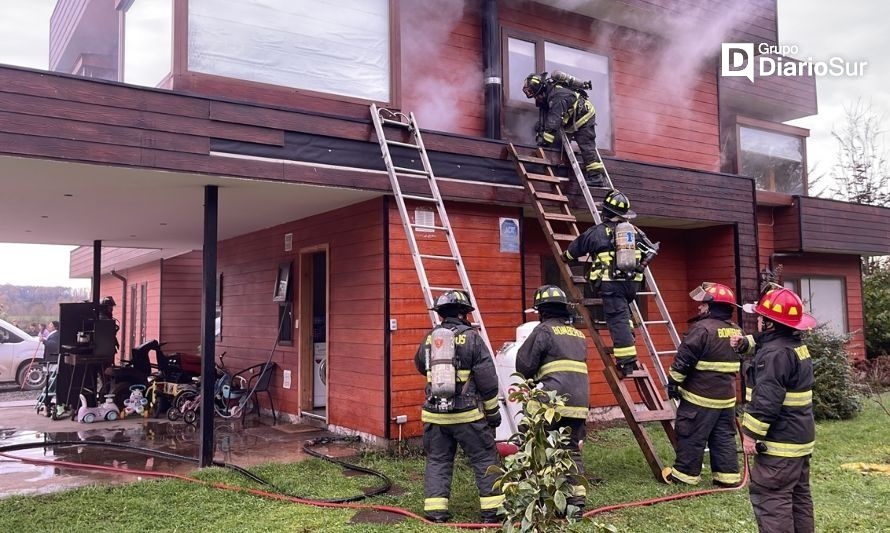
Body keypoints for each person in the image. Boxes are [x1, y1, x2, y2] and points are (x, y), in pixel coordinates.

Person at [730, 287, 816, 533]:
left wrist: (750, 434)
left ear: (769, 323)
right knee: (798, 497)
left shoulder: (776, 354)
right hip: (798, 439)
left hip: (780, 442)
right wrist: (744, 343)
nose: (757, 320)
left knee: (773, 497)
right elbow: (766, 342)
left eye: (761, 317)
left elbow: (767, 399)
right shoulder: (794, 345)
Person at [414, 290, 503, 524]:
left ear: (441, 314)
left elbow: (421, 366)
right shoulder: (472, 338)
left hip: (435, 414)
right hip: (467, 415)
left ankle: (435, 513)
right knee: (484, 459)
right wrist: (493, 413)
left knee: (438, 461)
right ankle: (492, 513)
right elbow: (487, 379)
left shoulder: (431, 337)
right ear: (465, 314)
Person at [562, 189, 658, 377]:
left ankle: (626, 362)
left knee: (617, 319)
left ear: (606, 212)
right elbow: (651, 250)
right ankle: (628, 337)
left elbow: (574, 251)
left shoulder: (598, 232)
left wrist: (566, 256)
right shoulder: (635, 231)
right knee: (623, 315)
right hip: (633, 284)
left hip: (611, 283)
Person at [515, 285, 590, 514]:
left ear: (542, 311)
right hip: (579, 403)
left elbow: (524, 365)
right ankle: (576, 503)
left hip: (551, 403)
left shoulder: (543, 331)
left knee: (535, 443)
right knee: (570, 450)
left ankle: (540, 499)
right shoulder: (579, 334)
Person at [663, 283, 743, 487]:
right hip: (726, 399)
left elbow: (683, 361)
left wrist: (673, 383)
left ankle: (685, 475)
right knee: (724, 437)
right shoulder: (736, 331)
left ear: (711, 307)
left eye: (703, 305)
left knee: (691, 434)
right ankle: (727, 478)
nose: (699, 308)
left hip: (700, 397)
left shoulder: (702, 329)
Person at [522, 71, 606, 187]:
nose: (534, 97)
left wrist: (545, 142)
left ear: (538, 88)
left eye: (532, 92)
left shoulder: (558, 96)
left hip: (584, 117)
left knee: (586, 144)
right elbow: (548, 119)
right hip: (571, 119)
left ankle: (597, 176)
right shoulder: (549, 94)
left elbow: (554, 120)